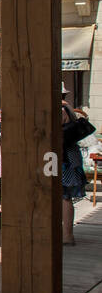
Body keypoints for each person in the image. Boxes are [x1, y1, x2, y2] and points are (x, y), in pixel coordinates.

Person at [62, 98, 88, 246]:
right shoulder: (69, 109)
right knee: (65, 197)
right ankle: (67, 233)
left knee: (64, 196)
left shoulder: (61, 110)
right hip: (71, 156)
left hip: (65, 158)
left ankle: (67, 234)